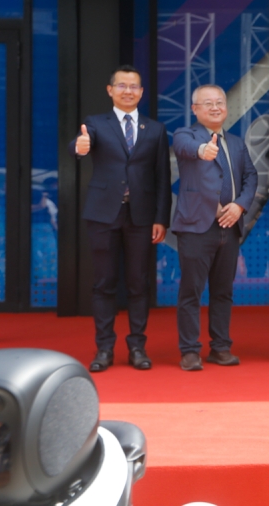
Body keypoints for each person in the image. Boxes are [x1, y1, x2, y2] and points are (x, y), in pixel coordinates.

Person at [70, 65, 171, 373]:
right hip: (103, 214)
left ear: (141, 92)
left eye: (134, 86)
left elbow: (162, 178)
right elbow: (81, 148)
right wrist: (79, 148)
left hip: (141, 216)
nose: (128, 91)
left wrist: (161, 218)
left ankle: (137, 346)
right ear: (110, 90)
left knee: (139, 283)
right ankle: (104, 348)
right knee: (104, 283)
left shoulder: (155, 129)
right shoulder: (95, 124)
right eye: (122, 85)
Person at [171, 85, 258, 371]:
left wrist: (240, 205)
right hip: (196, 226)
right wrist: (202, 150)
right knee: (191, 292)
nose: (215, 107)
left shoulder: (235, 142)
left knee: (223, 292)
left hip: (229, 226)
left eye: (219, 102)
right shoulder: (186, 135)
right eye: (207, 103)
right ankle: (190, 351)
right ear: (195, 109)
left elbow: (250, 176)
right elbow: (185, 148)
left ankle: (220, 347)